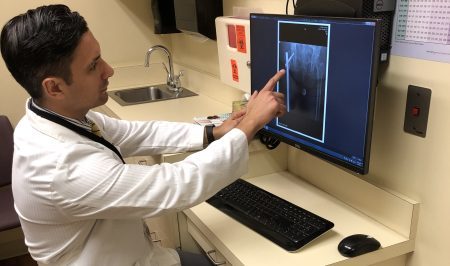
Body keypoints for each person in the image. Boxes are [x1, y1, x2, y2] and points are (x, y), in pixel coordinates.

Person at [0, 4, 286, 266]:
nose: (108, 70)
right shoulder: (60, 166)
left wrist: (213, 132)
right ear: (55, 88)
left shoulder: (49, 117)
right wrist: (249, 126)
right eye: (93, 65)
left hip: (129, 253)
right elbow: (176, 185)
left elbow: (132, 132)